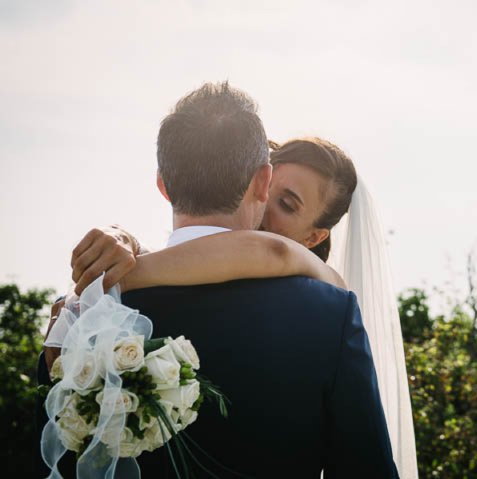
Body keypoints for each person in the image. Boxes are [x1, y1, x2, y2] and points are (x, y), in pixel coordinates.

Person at [39, 81, 399, 478]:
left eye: (290, 204)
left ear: (162, 183)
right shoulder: (329, 314)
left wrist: (96, 292)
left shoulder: (82, 317)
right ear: (261, 182)